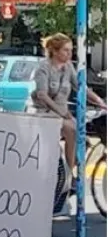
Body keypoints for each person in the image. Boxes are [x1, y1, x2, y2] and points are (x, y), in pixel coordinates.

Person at [32, 33, 107, 186]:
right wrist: (61, 112)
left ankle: (68, 170)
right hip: (45, 113)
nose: (69, 53)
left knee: (85, 141)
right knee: (72, 131)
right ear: (55, 50)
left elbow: (81, 87)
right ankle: (69, 175)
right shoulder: (43, 68)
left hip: (63, 114)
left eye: (71, 50)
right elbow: (42, 95)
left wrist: (101, 102)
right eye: (66, 50)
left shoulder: (68, 67)